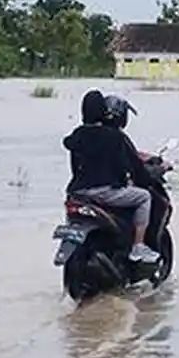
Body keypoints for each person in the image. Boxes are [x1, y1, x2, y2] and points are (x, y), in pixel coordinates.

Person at [64, 90, 160, 264]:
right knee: (144, 197)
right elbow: (129, 168)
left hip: (77, 193)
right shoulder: (113, 137)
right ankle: (138, 246)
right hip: (104, 192)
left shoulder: (77, 134)